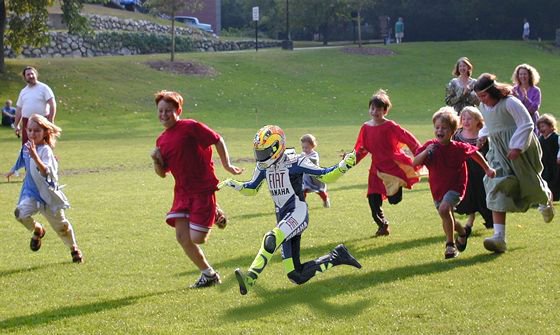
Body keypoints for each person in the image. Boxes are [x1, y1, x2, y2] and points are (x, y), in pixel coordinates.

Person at [220, 125, 361, 295]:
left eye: (264, 152)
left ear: (277, 147)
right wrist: (233, 183)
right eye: (259, 152)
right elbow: (252, 188)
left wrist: (345, 165)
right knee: (296, 275)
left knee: (272, 238)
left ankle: (250, 279)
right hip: (283, 218)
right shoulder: (263, 167)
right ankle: (337, 256)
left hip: (298, 213)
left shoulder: (295, 161)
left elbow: (324, 175)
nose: (261, 157)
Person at [150, 90, 243, 288]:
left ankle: (215, 212)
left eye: (168, 110)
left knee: (197, 238)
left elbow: (217, 139)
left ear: (178, 111)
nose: (163, 114)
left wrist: (226, 165)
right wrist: (156, 161)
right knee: (183, 238)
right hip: (182, 192)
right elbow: (162, 173)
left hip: (202, 189)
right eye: (160, 111)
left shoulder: (190, 127)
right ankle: (208, 274)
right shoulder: (161, 141)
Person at [474, 73, 554, 254]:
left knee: (528, 182)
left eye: (484, 96)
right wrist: (482, 137)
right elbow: (491, 124)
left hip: (520, 148)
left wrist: (517, 146)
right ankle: (499, 237)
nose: (482, 100)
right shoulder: (483, 106)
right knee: (495, 184)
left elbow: (526, 124)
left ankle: (545, 198)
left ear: (493, 91)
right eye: (479, 97)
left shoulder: (510, 103)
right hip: (498, 151)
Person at [413, 107, 495, 259]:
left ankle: (450, 246)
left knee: (445, 209)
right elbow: (415, 162)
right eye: (437, 127)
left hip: (455, 187)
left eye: (444, 128)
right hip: (438, 189)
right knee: (447, 215)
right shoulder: (430, 146)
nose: (440, 131)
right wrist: (426, 152)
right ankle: (462, 231)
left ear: (452, 131)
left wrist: (488, 168)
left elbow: (475, 153)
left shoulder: (458, 147)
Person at [4, 114, 83, 263]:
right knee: (20, 213)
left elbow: (46, 171)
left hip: (48, 195)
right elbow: (22, 159)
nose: (32, 134)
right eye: (30, 130)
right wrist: (13, 170)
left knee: (62, 226)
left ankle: (74, 248)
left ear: (45, 132)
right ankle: (38, 229)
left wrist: (35, 156)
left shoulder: (45, 150)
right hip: (31, 193)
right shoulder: (27, 147)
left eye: (37, 131)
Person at [353, 89, 421, 237]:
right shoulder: (365, 128)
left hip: (392, 168)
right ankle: (383, 225)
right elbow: (361, 149)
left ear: (385, 111)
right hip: (376, 169)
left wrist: (420, 152)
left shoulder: (390, 126)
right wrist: (350, 161)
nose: (374, 111)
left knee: (394, 200)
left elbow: (408, 138)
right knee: (373, 199)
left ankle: (397, 187)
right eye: (372, 108)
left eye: (378, 109)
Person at [453, 106, 494, 232]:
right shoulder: (457, 135)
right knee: (468, 197)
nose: (465, 121)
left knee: (482, 197)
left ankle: (491, 222)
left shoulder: (483, 136)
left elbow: (488, 154)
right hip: (464, 171)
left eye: (469, 119)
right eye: (463, 118)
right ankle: (469, 223)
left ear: (478, 120)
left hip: (480, 172)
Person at [14, 66, 57, 145]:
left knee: (44, 145)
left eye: (32, 74)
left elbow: (52, 104)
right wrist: (16, 125)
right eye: (28, 75)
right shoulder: (23, 91)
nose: (31, 76)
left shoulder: (44, 88)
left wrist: (51, 120)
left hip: (42, 121)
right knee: (27, 147)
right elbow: (19, 109)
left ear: (36, 75)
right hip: (27, 122)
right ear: (25, 77)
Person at [300, 134, 330, 208]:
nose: (304, 149)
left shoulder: (314, 155)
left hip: (314, 177)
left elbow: (313, 161)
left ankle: (325, 200)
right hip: (306, 177)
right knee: (303, 189)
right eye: (303, 147)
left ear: (312, 146)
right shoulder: (303, 154)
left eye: (306, 148)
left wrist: (304, 158)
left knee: (320, 190)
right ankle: (302, 204)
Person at [511, 63, 541, 134]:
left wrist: (526, 99)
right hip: (517, 121)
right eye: (520, 74)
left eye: (525, 74)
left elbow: (534, 108)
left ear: (530, 76)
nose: (522, 76)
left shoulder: (536, 90)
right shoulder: (514, 90)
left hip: (531, 120)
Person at [536, 114, 560, 201]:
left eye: (543, 126)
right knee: (545, 179)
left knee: (555, 180)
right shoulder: (540, 139)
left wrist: (558, 156)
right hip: (545, 164)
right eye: (539, 127)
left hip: (555, 165)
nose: (541, 129)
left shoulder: (556, 138)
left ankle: (555, 196)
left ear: (551, 126)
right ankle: (548, 196)